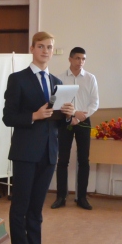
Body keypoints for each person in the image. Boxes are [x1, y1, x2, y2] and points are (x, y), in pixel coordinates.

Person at [3, 32, 74, 244]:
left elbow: (58, 123)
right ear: (32, 49)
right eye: (41, 46)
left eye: (49, 47)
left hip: (49, 152)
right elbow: (8, 117)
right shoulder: (18, 79)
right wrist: (34, 115)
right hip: (25, 152)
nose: (45, 51)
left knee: (36, 207)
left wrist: (67, 116)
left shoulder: (57, 82)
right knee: (20, 206)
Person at [52, 47, 98, 210]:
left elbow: (94, 102)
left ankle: (82, 197)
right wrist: (70, 116)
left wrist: (79, 116)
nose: (81, 62)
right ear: (70, 59)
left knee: (84, 160)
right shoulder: (59, 78)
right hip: (65, 121)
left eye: (83, 59)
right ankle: (61, 197)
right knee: (62, 160)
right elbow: (56, 102)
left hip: (84, 121)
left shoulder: (90, 78)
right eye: (78, 58)